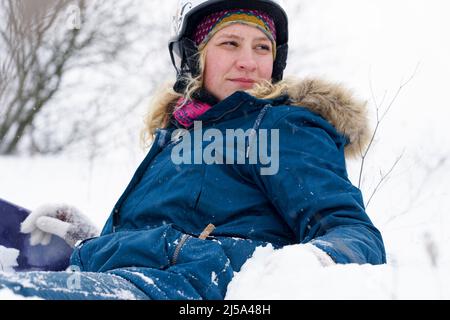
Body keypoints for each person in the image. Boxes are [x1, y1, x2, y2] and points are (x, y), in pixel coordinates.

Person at [0, 0, 386, 300]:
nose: (248, 61)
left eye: (262, 47)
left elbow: (352, 232)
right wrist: (94, 241)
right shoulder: (177, 134)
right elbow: (178, 229)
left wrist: (302, 265)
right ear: (195, 57)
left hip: (188, 289)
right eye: (230, 43)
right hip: (129, 280)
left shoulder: (282, 127)